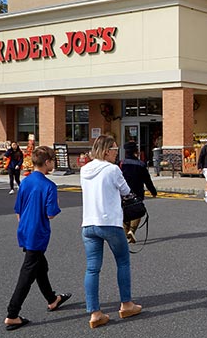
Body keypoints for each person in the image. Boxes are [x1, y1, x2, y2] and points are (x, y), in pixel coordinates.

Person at [2, 146, 71, 331]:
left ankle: (52, 299)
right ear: (47, 162)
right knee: (28, 272)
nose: (54, 164)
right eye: (53, 161)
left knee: (41, 266)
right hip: (38, 232)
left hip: (24, 229)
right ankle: (12, 314)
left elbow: (18, 209)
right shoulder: (49, 186)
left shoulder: (25, 182)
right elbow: (50, 214)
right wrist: (56, 204)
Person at [80, 135, 142, 328]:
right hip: (109, 223)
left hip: (88, 224)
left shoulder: (84, 169)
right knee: (122, 262)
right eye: (115, 149)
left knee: (92, 268)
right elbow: (125, 191)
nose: (117, 152)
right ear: (107, 150)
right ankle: (126, 304)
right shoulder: (112, 169)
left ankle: (95, 313)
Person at [119, 144, 157, 243]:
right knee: (137, 212)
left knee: (125, 213)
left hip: (122, 193)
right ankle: (131, 231)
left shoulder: (120, 163)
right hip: (137, 193)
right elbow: (147, 180)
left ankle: (126, 234)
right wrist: (153, 191)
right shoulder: (141, 164)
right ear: (136, 152)